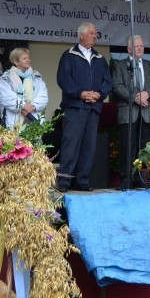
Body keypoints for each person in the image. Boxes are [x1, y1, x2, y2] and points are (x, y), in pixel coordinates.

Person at [56, 22, 112, 192]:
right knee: (70, 144)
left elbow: (107, 81)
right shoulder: (69, 55)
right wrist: (80, 93)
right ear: (81, 35)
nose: (95, 36)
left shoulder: (100, 58)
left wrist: (99, 94)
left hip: (93, 108)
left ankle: (83, 181)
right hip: (75, 107)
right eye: (91, 33)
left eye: (95, 34)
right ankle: (64, 182)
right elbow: (63, 79)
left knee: (89, 146)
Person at [111, 35, 150, 190]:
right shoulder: (120, 65)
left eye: (141, 46)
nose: (139, 48)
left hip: (147, 112)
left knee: (145, 147)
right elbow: (117, 86)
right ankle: (126, 179)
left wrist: (147, 94)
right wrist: (134, 98)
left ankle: (141, 178)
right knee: (128, 147)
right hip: (128, 112)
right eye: (136, 46)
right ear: (128, 49)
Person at [0, 48, 49, 129]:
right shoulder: (6, 77)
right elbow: (6, 98)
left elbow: (43, 97)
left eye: (29, 58)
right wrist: (23, 106)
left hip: (34, 120)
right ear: (16, 61)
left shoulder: (36, 77)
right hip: (13, 122)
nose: (28, 60)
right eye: (25, 58)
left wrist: (33, 107)